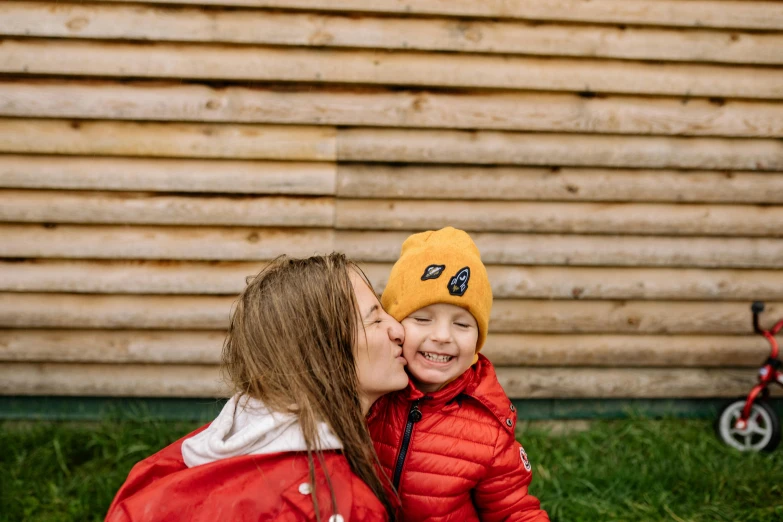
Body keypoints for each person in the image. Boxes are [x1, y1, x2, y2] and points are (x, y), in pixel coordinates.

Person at [106, 254, 408, 521]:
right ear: (322, 351)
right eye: (375, 319)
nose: (398, 329)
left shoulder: (181, 460)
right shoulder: (341, 504)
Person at [368, 227, 549, 521]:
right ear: (395, 325)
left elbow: (514, 511)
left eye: (462, 324)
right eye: (423, 319)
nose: (441, 336)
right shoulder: (370, 394)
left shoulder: (487, 430)